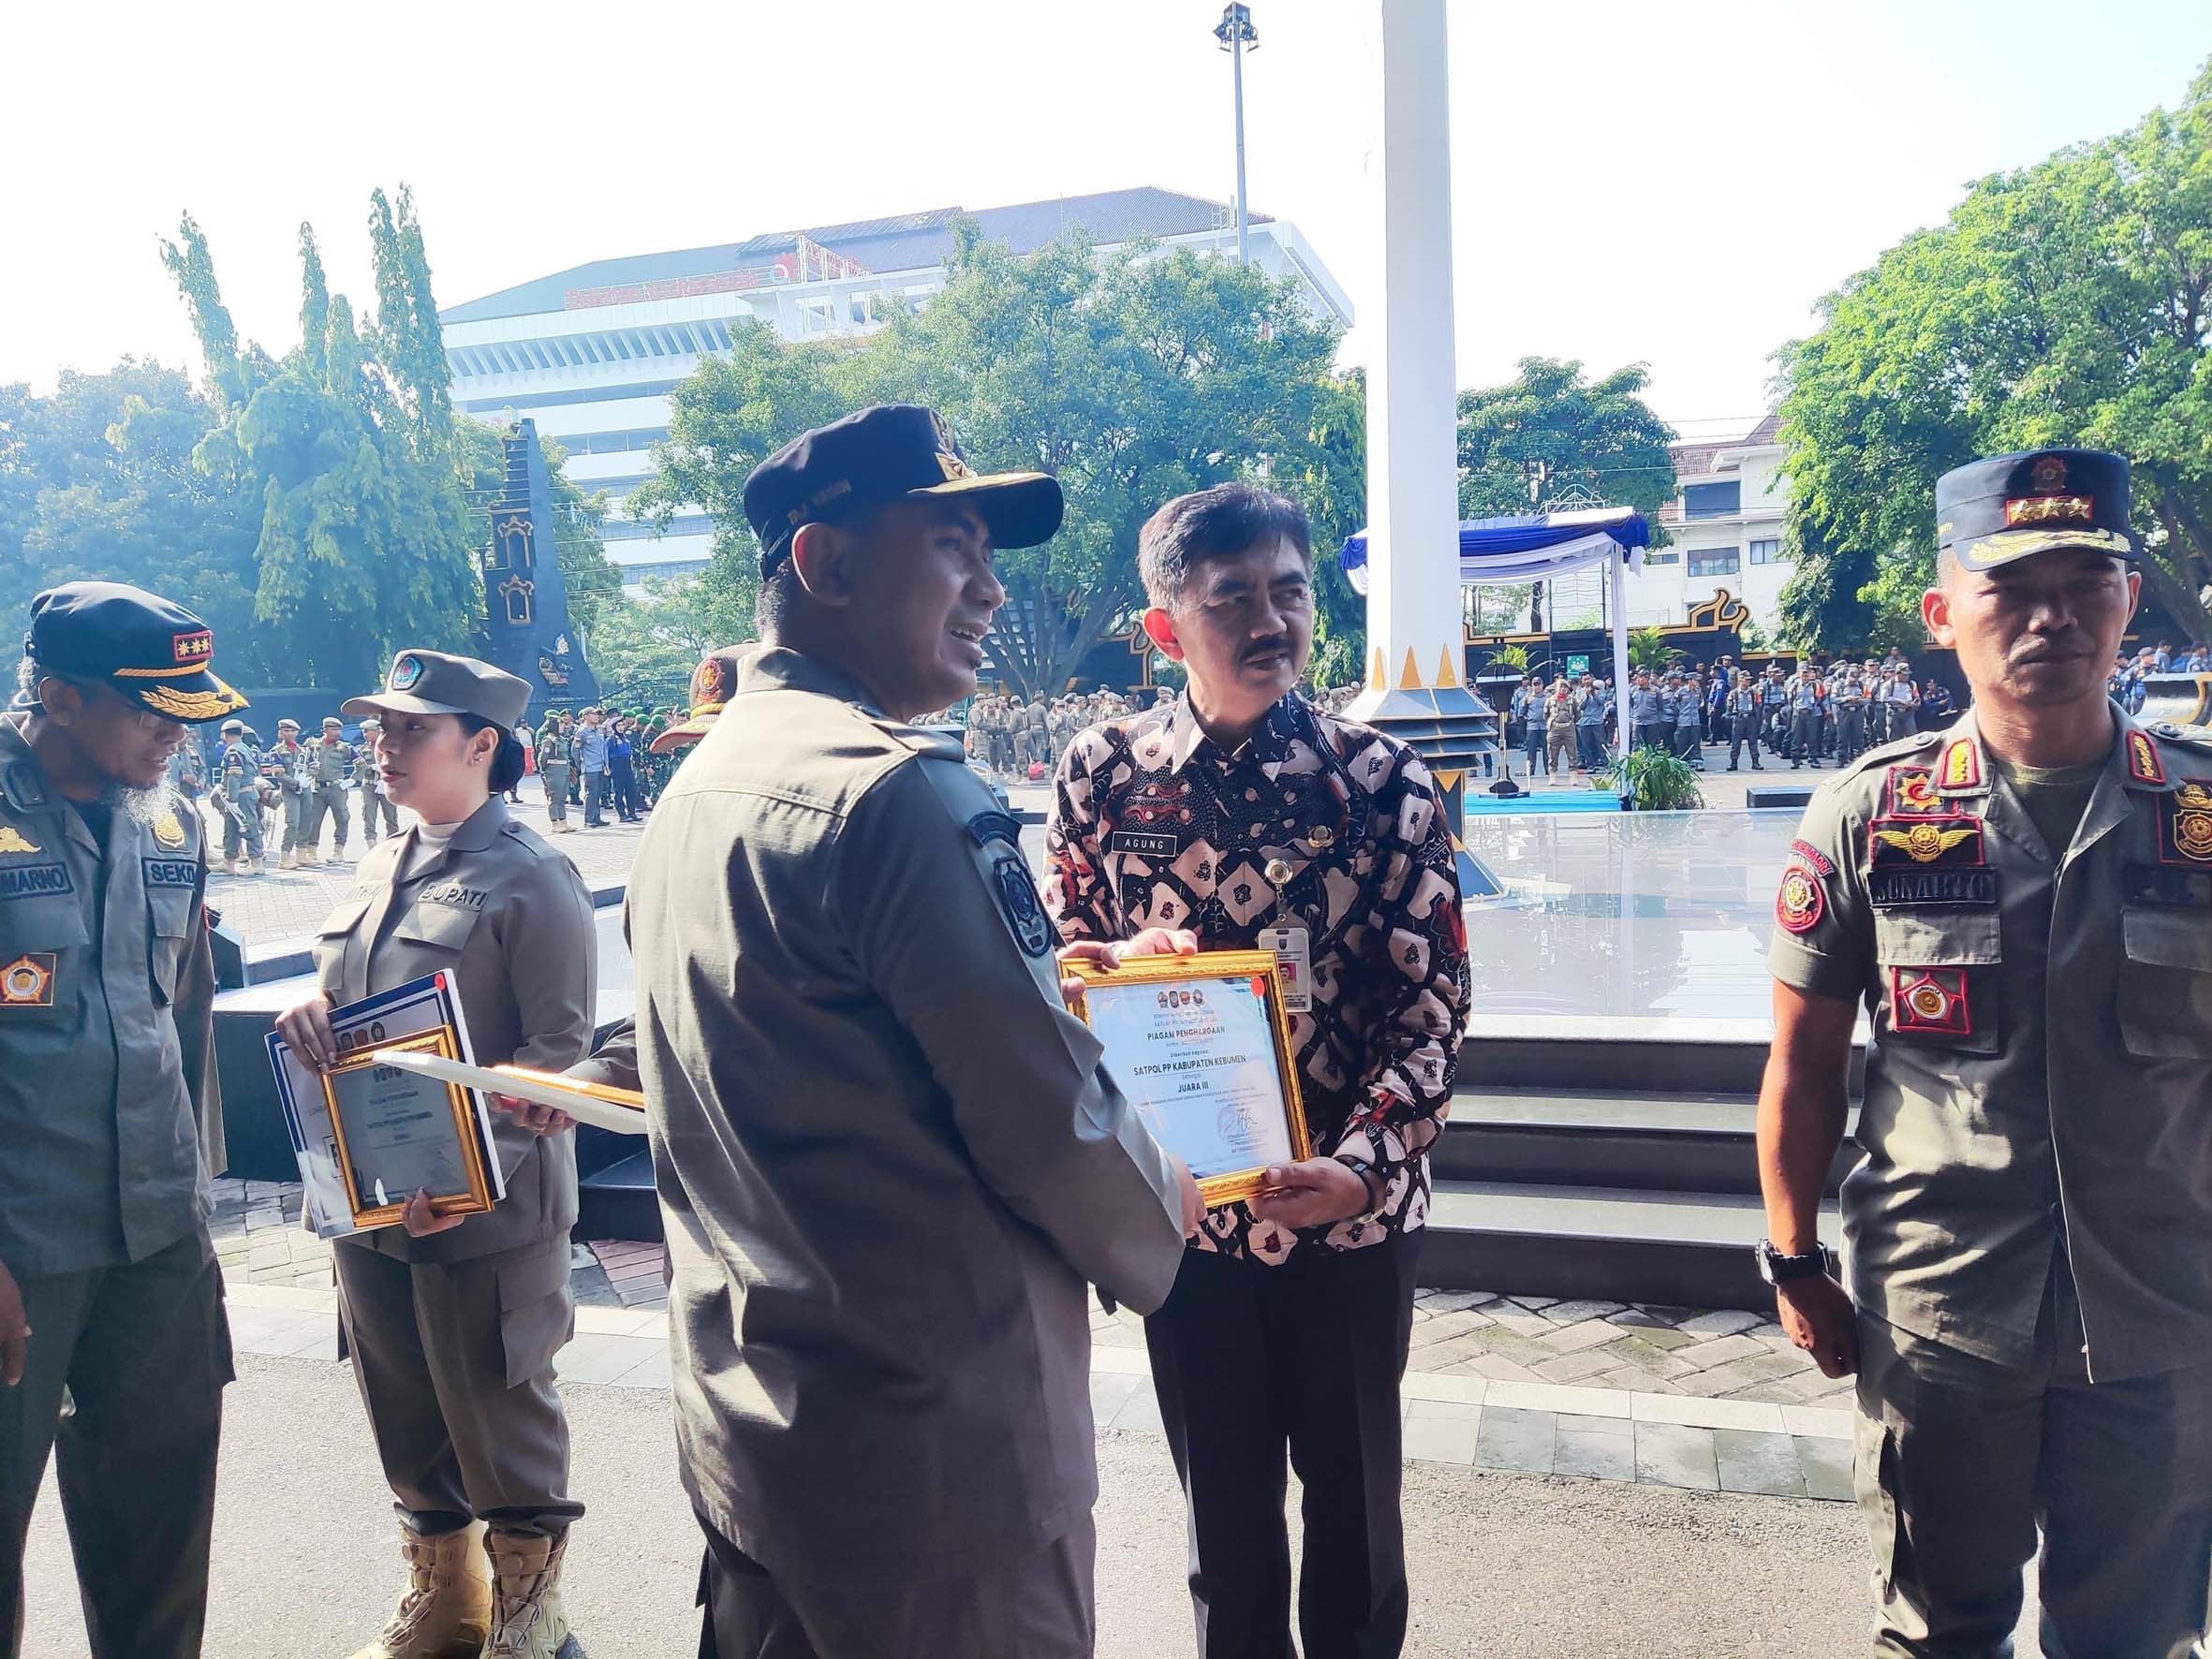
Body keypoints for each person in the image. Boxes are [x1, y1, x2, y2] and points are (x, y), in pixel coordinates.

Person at [582, 404, 1196, 1659]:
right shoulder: (895, 794)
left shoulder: (696, 792)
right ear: (823, 564)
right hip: (938, 1478)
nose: (985, 589)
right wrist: (1170, 1204)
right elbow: (1050, 1125)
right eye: (953, 547)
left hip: (759, 1440)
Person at [1756, 449, 2212, 1658]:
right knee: (1939, 1630)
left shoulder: (2200, 816)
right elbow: (1801, 1066)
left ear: (2128, 601)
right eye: (2011, 587)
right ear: (1942, 614)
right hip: (1941, 1314)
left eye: (2086, 580)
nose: (2052, 614)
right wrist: (1792, 1257)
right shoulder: (1870, 815)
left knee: (2133, 1635)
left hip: (2164, 1311)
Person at [1045, 484, 1468, 1659]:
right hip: (1186, 1217)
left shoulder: (1380, 781)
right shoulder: (1103, 774)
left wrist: (1362, 1164)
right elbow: (1051, 967)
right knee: (1223, 1524)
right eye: (1231, 597)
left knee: (1355, 1517)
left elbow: (1430, 1001)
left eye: (1288, 590)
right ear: (1166, 626)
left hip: (1348, 1214)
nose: (1269, 619)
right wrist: (1105, 962)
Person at [274, 651, 597, 1659]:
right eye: (382, 727)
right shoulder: (380, 861)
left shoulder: (533, 875)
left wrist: (466, 1170)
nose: (383, 745)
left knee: (501, 1418)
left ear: (482, 744)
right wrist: (309, 1009)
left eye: (410, 728)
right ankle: (446, 1600)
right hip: (372, 1205)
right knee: (404, 1410)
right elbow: (357, 1015)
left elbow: (561, 1054)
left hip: (485, 1210)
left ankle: (529, 1618)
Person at [0, 581, 242, 1659]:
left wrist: (200, 1216)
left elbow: (180, 1022)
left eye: (188, 710)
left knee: (160, 1529)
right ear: (57, 694)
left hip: (157, 1238)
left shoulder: (174, 817)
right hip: (20, 1240)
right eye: (151, 708)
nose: (174, 732)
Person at [214, 714, 265, 875]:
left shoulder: (233, 751)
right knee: (231, 828)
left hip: (240, 795)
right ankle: (229, 861)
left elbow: (234, 776)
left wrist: (232, 799)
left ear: (225, 734)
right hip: (243, 794)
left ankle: (256, 862)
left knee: (249, 827)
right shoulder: (245, 748)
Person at [305, 714, 356, 863]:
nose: (338, 733)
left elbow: (361, 764)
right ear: (325, 730)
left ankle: (338, 851)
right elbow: (301, 760)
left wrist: (352, 779)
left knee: (342, 818)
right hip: (318, 789)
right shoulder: (312, 745)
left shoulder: (344, 747)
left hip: (336, 788)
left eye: (339, 729)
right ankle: (311, 851)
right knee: (313, 820)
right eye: (334, 729)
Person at [267, 715, 313, 869]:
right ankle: (285, 856)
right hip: (289, 790)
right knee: (292, 822)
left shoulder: (304, 750)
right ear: (280, 733)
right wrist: (296, 783)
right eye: (286, 730)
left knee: (306, 821)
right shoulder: (277, 751)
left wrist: (308, 777)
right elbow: (278, 773)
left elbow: (314, 765)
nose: (289, 733)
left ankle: (301, 853)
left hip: (306, 788)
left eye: (292, 731)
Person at [356, 717, 401, 844]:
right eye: (363, 732)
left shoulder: (388, 747)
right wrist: (371, 767)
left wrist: (384, 776)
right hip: (369, 785)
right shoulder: (362, 749)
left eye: (367, 731)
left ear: (377, 731)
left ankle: (393, 842)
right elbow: (360, 766)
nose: (364, 734)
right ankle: (371, 844)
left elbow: (397, 763)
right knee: (369, 816)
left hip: (386, 784)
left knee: (390, 816)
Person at [535, 712, 572, 834]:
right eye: (561, 724)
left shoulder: (561, 739)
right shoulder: (548, 740)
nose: (563, 726)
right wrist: (543, 771)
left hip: (564, 770)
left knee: (562, 797)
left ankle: (563, 822)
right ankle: (555, 823)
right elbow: (543, 758)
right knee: (554, 798)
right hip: (554, 771)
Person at [574, 708, 608, 829]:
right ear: (586, 716)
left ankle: (596, 817)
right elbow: (575, 750)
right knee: (591, 793)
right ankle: (589, 819)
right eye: (594, 714)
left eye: (598, 714)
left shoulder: (599, 730)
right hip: (590, 767)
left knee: (598, 792)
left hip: (600, 766)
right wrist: (580, 765)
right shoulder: (582, 732)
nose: (597, 716)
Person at [1725, 669, 1763, 771]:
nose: (1748, 682)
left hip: (1751, 718)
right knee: (1736, 742)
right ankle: (1734, 762)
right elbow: (1729, 706)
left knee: (1753, 741)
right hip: (1739, 718)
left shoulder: (1753, 692)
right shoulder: (1734, 693)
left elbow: (1758, 704)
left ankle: (1755, 762)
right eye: (1746, 680)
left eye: (1749, 680)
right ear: (1740, 680)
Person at [1544, 675, 1579, 778]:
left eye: (1565, 687)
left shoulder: (1572, 700)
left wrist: (1571, 722)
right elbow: (1545, 715)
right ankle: (1553, 775)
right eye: (1561, 687)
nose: (1563, 689)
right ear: (1556, 688)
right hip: (1555, 728)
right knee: (1552, 752)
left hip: (1568, 727)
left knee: (1572, 751)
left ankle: (1573, 775)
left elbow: (1578, 714)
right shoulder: (1550, 700)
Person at [1630, 669, 1664, 752]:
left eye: (1641, 677)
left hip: (1652, 722)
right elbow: (1631, 704)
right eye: (1638, 677)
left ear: (1647, 678)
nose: (1638, 679)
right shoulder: (1633, 690)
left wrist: (1658, 719)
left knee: (1652, 744)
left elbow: (1660, 706)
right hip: (1638, 721)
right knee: (1637, 743)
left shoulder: (1656, 690)